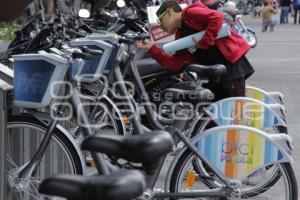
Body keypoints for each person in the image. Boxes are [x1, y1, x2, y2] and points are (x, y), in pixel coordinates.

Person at [136, 0, 254, 101]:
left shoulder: (190, 12)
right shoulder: (180, 36)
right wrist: (151, 48)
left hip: (230, 66)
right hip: (213, 72)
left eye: (161, 21)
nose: (161, 26)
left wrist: (204, 42)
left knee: (233, 108)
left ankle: (240, 128)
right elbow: (175, 63)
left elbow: (216, 17)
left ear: (170, 13)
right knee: (217, 109)